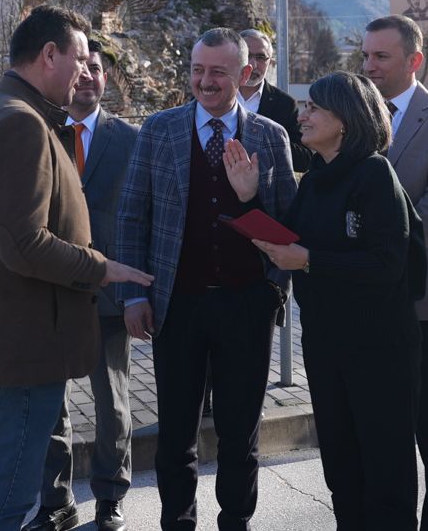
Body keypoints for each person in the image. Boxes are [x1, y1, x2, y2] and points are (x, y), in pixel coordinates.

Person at [0, 6, 152, 531]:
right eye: (78, 59)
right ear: (49, 54)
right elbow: (24, 243)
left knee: (3, 489)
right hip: (20, 347)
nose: (85, 72)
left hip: (8, 341)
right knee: (6, 498)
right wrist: (102, 268)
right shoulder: (18, 122)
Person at [115, 27, 297, 531]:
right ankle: (178, 519)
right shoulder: (159, 130)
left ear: (244, 74)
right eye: (197, 70)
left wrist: (250, 197)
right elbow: (132, 217)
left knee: (241, 431)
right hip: (178, 306)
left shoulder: (269, 136)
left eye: (217, 71)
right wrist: (132, 295)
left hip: (247, 305)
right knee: (176, 430)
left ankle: (236, 520)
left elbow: (287, 230)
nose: (205, 81)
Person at [251, 72, 422, 531]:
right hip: (326, 345)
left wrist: (308, 261)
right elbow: (291, 240)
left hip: (378, 348)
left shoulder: (374, 174)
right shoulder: (318, 179)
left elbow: (387, 265)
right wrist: (249, 198)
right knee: (341, 467)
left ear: (344, 120)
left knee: (386, 472)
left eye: (313, 108)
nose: (300, 115)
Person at [359, 15, 428, 531]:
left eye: (381, 57)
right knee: (383, 429)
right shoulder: (355, 115)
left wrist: (375, 255)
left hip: (424, 298)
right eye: (365, 56)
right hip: (367, 301)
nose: (369, 66)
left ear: (414, 61)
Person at [25, 44, 141, 531]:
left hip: (109, 298)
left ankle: (111, 496)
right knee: (50, 406)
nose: (89, 76)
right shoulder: (38, 134)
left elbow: (140, 218)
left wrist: (137, 293)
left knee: (111, 403)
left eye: (97, 70)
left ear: (106, 79)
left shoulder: (131, 139)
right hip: (52, 291)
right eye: (83, 69)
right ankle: (56, 502)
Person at [236, 28, 310, 173]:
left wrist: (267, 142)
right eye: (247, 55)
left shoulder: (285, 104)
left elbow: (304, 160)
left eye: (261, 57)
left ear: (270, 62)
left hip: (265, 192)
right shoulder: (215, 95)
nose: (253, 64)